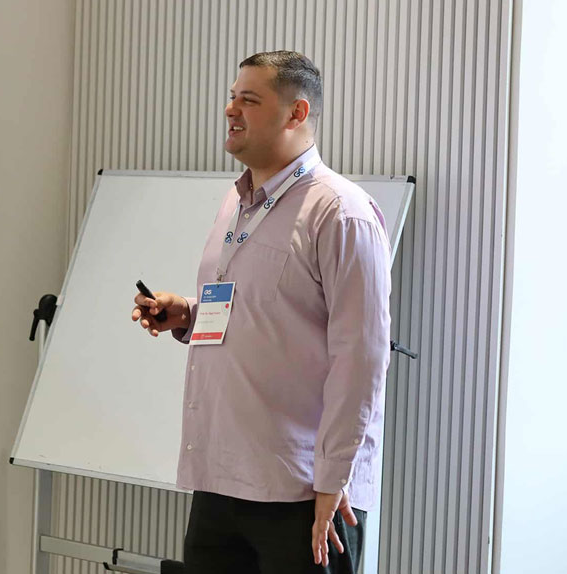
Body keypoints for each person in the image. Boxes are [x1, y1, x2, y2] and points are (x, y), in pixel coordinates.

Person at [130, 51, 391, 574]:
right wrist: (188, 315)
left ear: (297, 113)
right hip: (220, 479)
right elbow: (259, 310)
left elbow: (361, 359)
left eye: (248, 99)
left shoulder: (341, 213)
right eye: (232, 97)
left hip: (302, 490)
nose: (231, 109)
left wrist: (333, 480)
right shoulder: (236, 203)